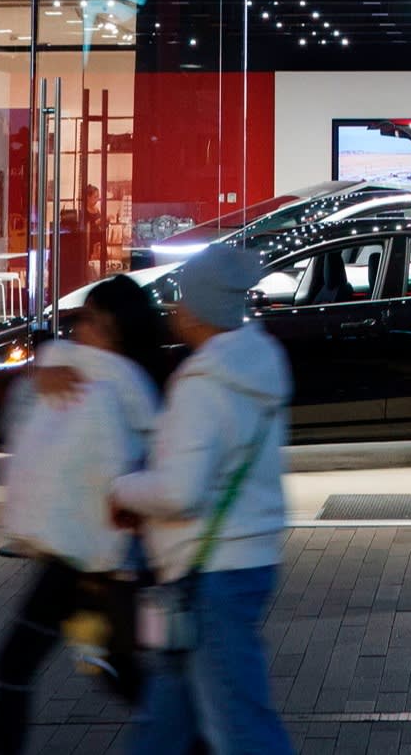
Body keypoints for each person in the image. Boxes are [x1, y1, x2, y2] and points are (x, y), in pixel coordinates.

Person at [112, 241, 295, 755]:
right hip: (240, 561)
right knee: (164, 728)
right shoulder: (259, 362)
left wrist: (123, 489)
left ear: (200, 310)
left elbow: (178, 491)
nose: (174, 309)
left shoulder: (204, 385)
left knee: (241, 730)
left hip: (208, 574)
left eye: (181, 300)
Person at [0, 274, 172, 754]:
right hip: (90, 558)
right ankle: (190, 736)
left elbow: (109, 482)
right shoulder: (103, 383)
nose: (77, 330)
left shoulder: (106, 394)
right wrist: (43, 370)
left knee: (19, 665)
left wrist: (106, 565)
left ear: (110, 328)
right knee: (119, 672)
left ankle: (191, 738)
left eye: (87, 319)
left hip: (89, 561)